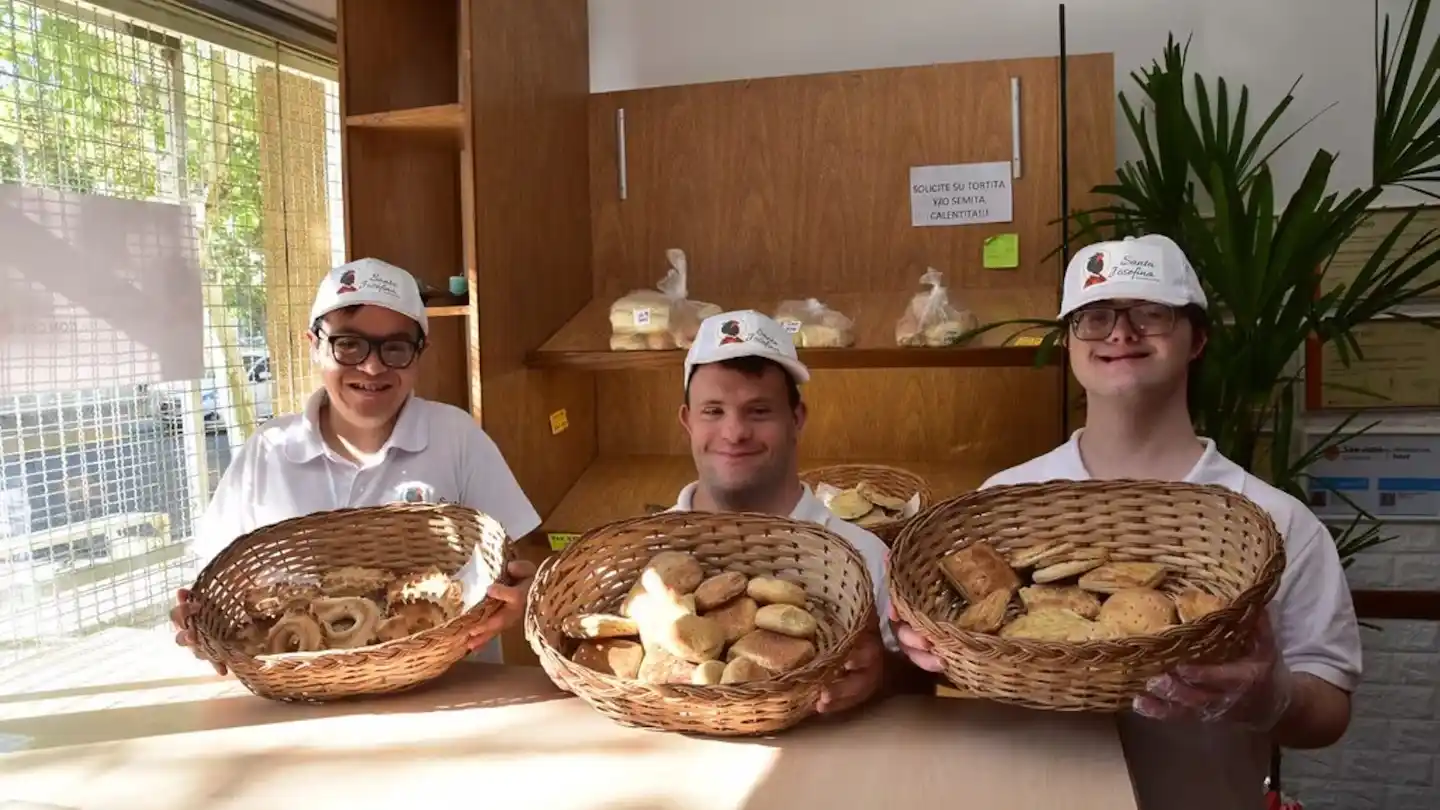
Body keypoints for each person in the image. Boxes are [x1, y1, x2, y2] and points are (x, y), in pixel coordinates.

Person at [890, 234, 1362, 810]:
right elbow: (974, 669)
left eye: (1150, 314)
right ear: (1069, 343)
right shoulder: (1005, 501)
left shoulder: (1275, 522)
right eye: (1094, 317)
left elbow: (1330, 711)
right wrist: (931, 652)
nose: (1120, 332)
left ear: (1198, 339)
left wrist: (1272, 698)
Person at [170, 258, 540, 672]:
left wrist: (525, 593)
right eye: (348, 344)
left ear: (420, 354)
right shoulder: (270, 451)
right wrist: (199, 626)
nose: (372, 366)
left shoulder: (455, 437)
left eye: (396, 347)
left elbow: (524, 560)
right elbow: (214, 585)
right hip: (301, 696)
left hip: (451, 688)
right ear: (314, 345)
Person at [672, 309, 903, 715]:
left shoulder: (865, 557)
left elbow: (923, 687)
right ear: (688, 421)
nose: (734, 432)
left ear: (797, 419)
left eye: (759, 410)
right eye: (713, 411)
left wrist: (883, 675)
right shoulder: (647, 561)